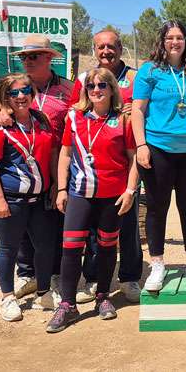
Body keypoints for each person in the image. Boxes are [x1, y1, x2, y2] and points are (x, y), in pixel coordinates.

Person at [46, 68, 139, 332]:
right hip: (79, 193)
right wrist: (61, 189)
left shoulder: (123, 120)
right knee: (72, 248)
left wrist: (130, 191)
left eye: (101, 85)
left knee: (107, 247)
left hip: (112, 195)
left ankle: (102, 297)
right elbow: (65, 154)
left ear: (111, 89)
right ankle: (67, 305)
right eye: (90, 86)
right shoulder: (74, 117)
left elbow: (133, 159)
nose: (96, 90)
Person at [132, 20, 186, 291]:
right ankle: (158, 265)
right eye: (170, 37)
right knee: (157, 208)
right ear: (162, 40)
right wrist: (141, 145)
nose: (175, 42)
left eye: (179, 37)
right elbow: (137, 110)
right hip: (158, 150)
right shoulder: (149, 71)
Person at [0, 35, 73, 302]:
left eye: (34, 56)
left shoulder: (68, 88)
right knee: (22, 228)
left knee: (52, 226)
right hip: (19, 173)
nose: (27, 61)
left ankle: (52, 276)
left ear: (49, 57)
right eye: (24, 57)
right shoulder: (15, 87)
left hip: (55, 168)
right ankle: (26, 275)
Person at [68, 29, 143, 304]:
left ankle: (129, 277)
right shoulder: (84, 79)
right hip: (91, 170)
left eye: (111, 46)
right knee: (92, 229)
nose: (106, 52)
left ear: (121, 48)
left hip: (125, 164)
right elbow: (74, 110)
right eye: (100, 47)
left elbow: (146, 107)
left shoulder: (136, 77)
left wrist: (131, 110)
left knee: (129, 223)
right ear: (94, 49)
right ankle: (93, 278)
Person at [0, 73, 58, 321]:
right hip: (10, 199)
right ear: (5, 97)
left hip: (39, 199)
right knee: (9, 248)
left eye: (25, 91)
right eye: (14, 93)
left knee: (45, 246)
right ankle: (7, 298)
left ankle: (44, 292)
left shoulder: (40, 119)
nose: (21, 96)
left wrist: (57, 185)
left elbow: (53, 154)